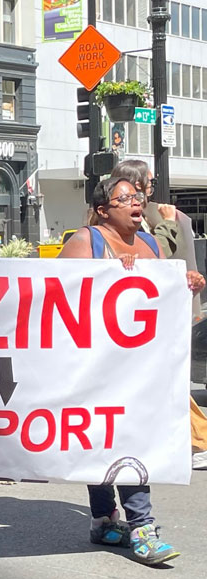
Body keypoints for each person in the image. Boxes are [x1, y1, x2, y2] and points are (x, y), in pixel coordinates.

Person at [59, 176, 204, 566]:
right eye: (125, 198)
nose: (136, 202)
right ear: (104, 209)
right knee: (104, 441)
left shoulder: (152, 243)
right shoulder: (86, 241)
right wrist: (108, 274)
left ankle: (115, 523)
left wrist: (184, 282)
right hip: (94, 367)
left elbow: (157, 298)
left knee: (128, 439)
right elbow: (56, 293)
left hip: (138, 369)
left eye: (138, 196)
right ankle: (131, 525)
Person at [110, 159, 207, 470]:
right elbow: (151, 258)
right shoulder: (136, 222)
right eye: (147, 184)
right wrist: (167, 224)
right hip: (132, 321)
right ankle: (196, 441)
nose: (149, 191)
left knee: (169, 383)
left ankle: (194, 440)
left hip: (149, 319)